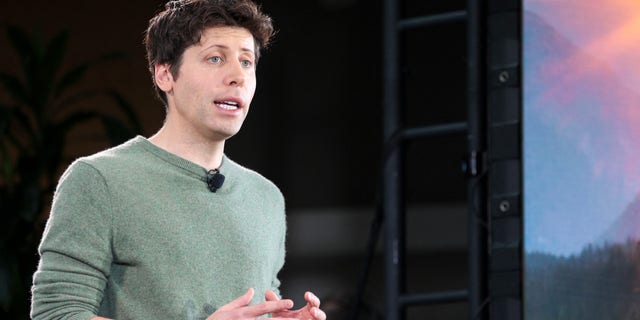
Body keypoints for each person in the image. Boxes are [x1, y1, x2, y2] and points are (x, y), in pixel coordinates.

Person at [30, 0, 327, 319]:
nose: (237, 76)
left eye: (246, 62)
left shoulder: (266, 197)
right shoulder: (98, 180)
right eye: (215, 58)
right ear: (165, 75)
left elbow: (260, 301)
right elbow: (56, 313)